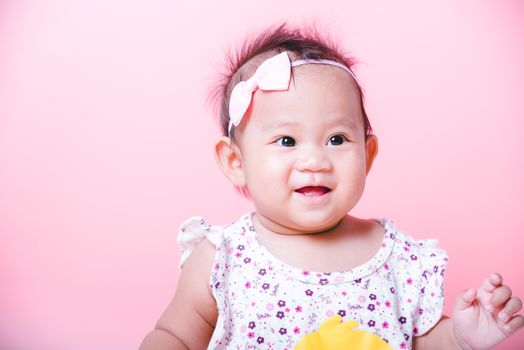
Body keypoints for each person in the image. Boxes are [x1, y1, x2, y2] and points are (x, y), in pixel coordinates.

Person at [139, 23, 523, 349]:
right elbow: (175, 335)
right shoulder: (223, 257)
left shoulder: (399, 257)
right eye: (287, 141)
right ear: (236, 162)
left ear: (368, 155)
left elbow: (421, 339)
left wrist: (459, 337)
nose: (315, 161)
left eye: (337, 139)